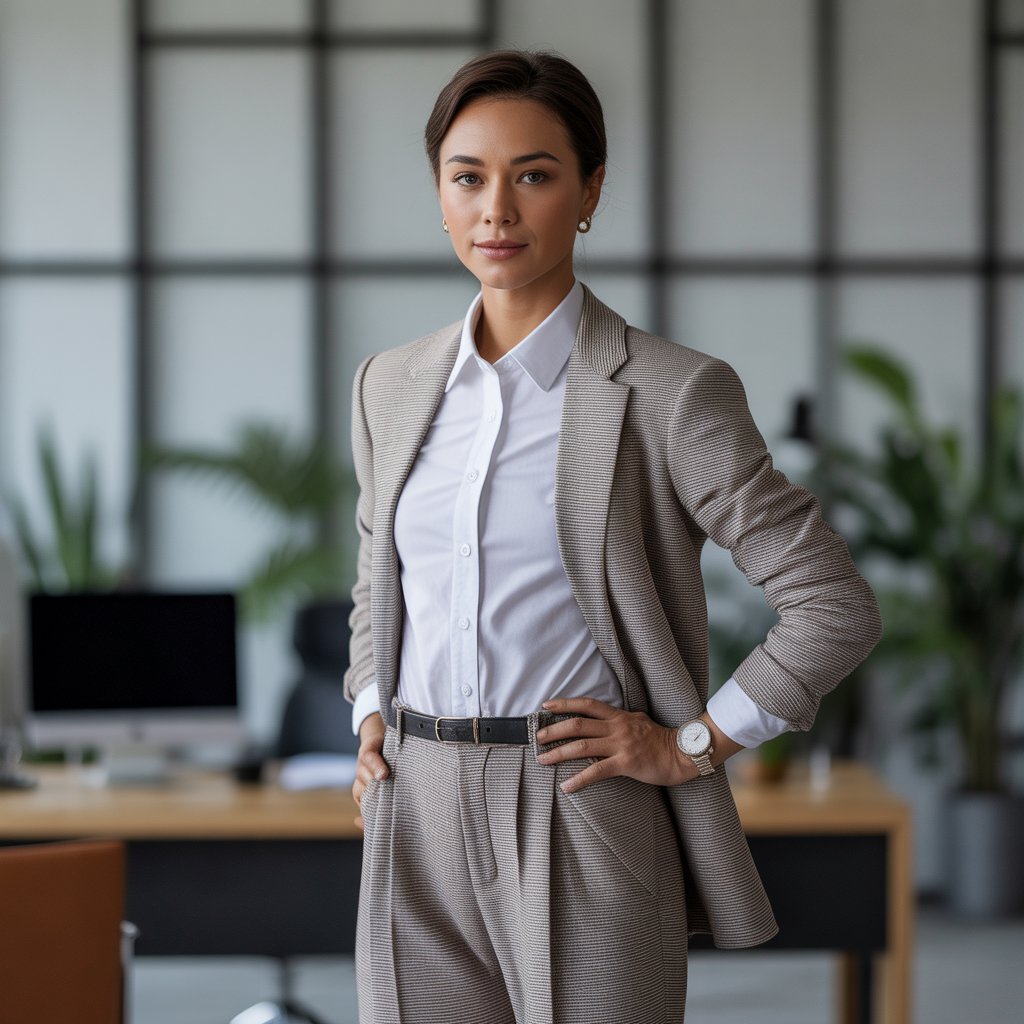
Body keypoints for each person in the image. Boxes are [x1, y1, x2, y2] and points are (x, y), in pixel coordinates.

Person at [344, 49, 882, 1024]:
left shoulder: (671, 393)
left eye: (534, 175)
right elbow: (378, 574)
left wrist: (696, 739)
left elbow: (832, 602)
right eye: (468, 177)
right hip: (411, 810)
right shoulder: (389, 383)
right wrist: (373, 708)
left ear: (590, 191)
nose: (496, 210)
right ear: (438, 194)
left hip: (578, 802)